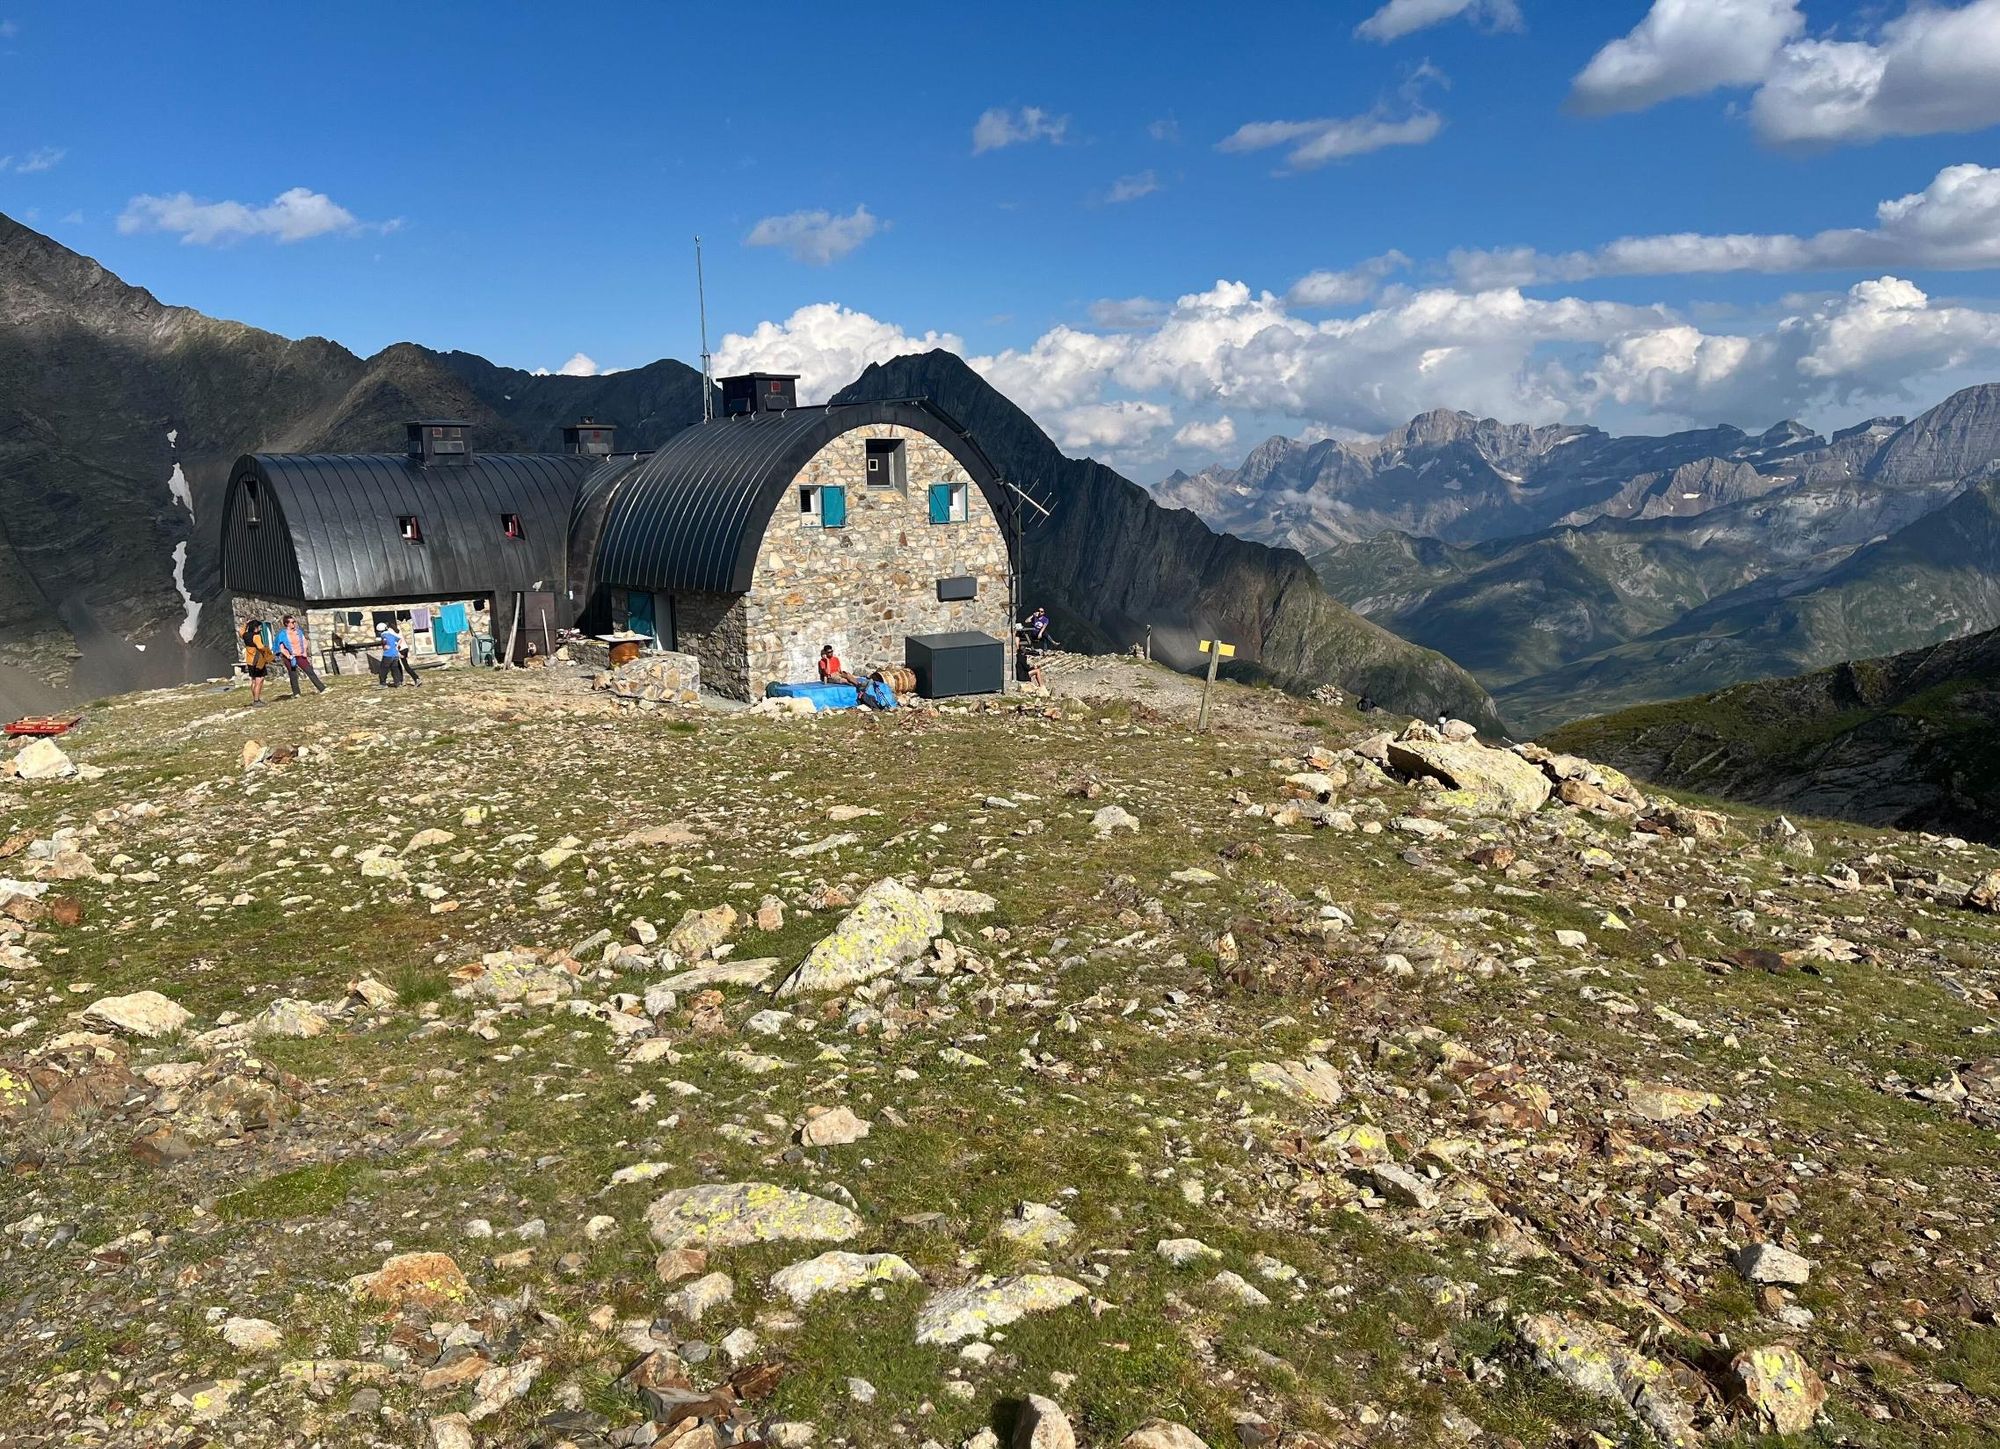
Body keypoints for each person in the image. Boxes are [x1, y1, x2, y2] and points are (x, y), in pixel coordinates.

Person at [275, 614, 327, 697]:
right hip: (290, 657)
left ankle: (322, 688)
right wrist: (288, 656)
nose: (294, 624)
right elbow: (281, 648)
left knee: (309, 671)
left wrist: (304, 652)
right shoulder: (282, 634)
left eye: (294, 622)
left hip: (300, 655)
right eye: (292, 622)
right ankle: (296, 693)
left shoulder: (298, 632)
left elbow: (304, 641)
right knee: (293, 674)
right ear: (286, 624)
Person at [240, 618, 274, 706]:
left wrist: (246, 624)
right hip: (257, 661)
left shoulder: (245, 635)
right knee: (260, 679)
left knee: (254, 681)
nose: (260, 628)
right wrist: (267, 650)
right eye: (259, 627)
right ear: (255, 627)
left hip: (250, 661)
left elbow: (241, 631)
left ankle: (255, 698)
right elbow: (260, 646)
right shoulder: (256, 636)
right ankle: (256, 700)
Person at [377, 622, 404, 687]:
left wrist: (385, 645)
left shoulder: (383, 635)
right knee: (395, 669)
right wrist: (396, 646)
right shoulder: (391, 634)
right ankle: (398, 683)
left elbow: (384, 641)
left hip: (388, 655)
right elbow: (400, 639)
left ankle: (383, 684)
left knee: (383, 669)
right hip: (395, 655)